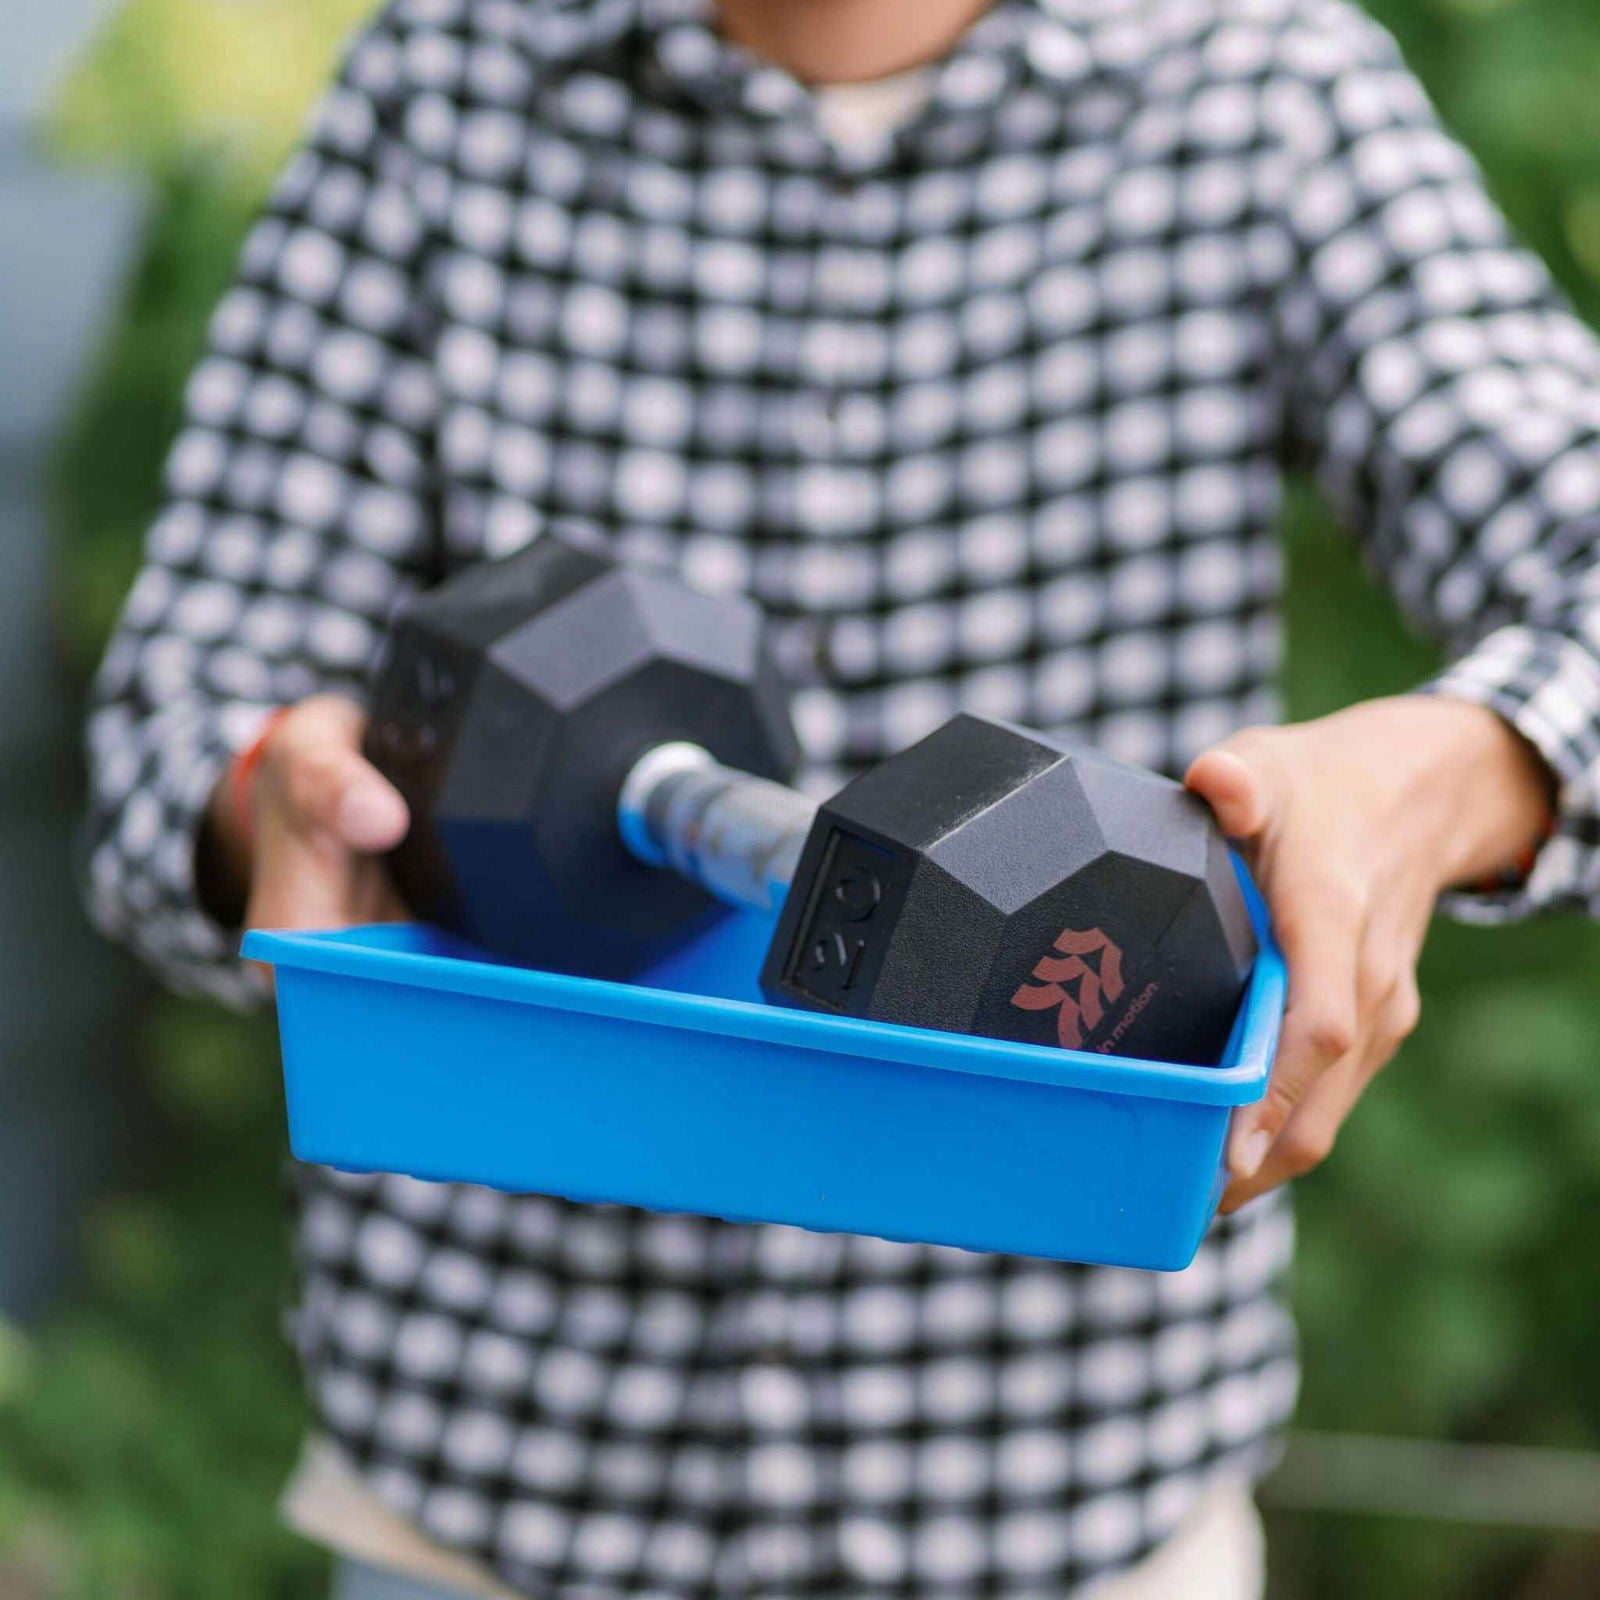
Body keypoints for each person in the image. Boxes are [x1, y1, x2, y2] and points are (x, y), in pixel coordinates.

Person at [82, 0, 1592, 1593]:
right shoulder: (446, 78)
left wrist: (1459, 770)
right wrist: (275, 803)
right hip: (486, 1509)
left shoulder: (1265, 86)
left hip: (1074, 1513)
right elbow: (177, 714)